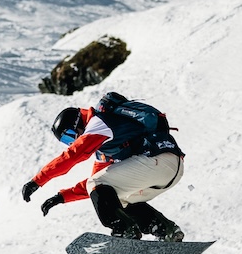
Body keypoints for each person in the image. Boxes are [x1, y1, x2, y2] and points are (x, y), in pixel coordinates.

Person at [21, 92, 186, 241]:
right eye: (67, 141)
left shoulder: (98, 123)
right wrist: (62, 196)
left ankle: (124, 229)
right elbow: (96, 187)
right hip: (170, 168)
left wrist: (38, 180)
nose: (72, 141)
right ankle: (165, 230)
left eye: (69, 137)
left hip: (156, 160)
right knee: (118, 198)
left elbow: (73, 155)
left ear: (77, 123)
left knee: (99, 185)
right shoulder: (104, 149)